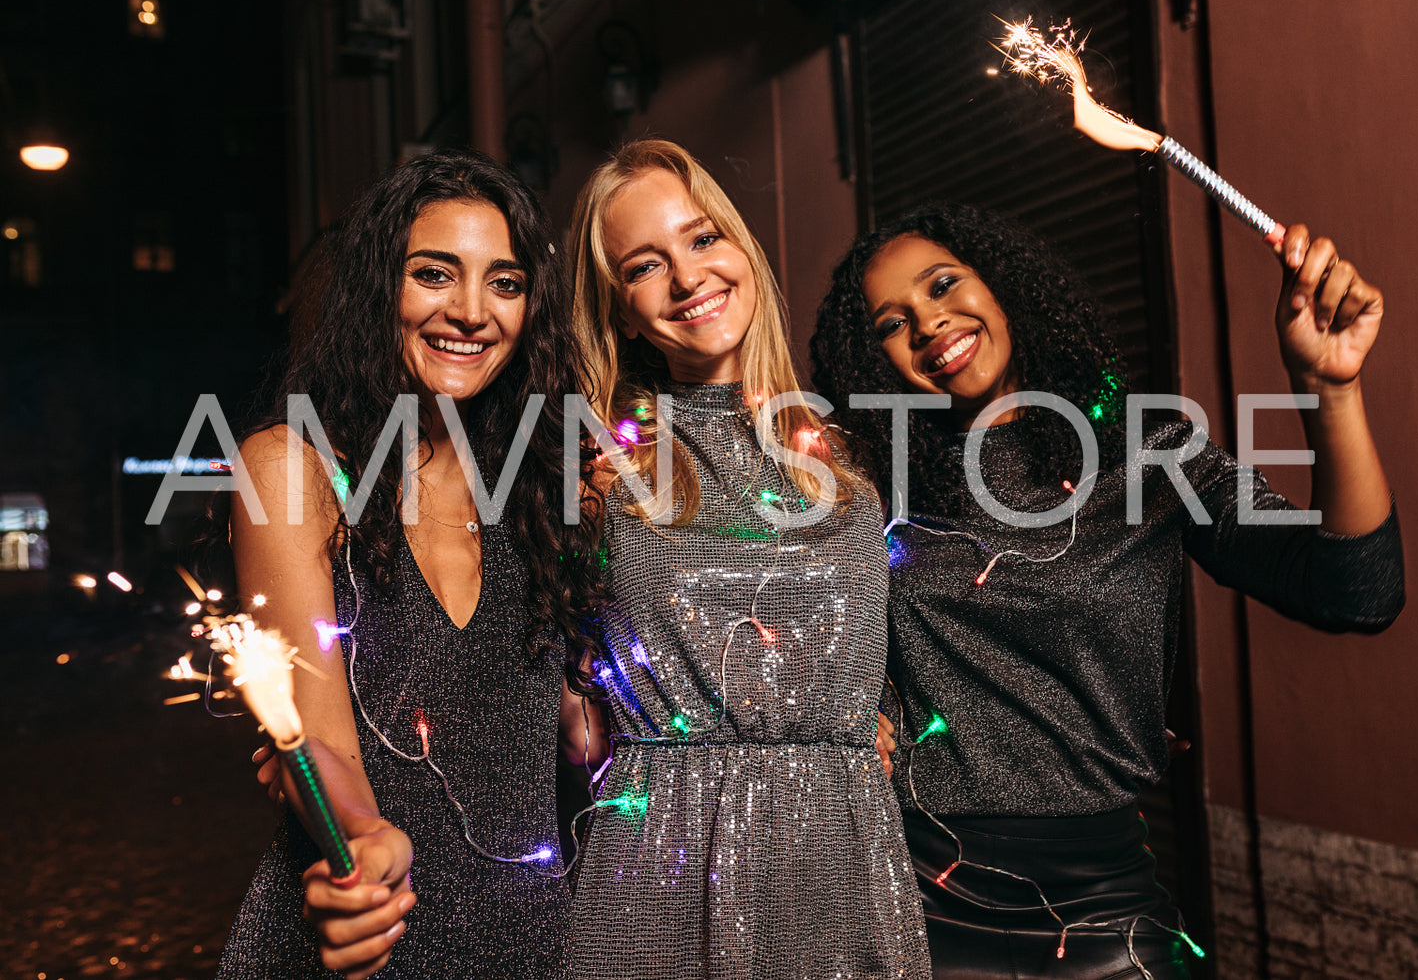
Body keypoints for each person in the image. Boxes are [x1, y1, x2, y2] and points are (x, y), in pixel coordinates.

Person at [810, 203, 1404, 979]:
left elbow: (1356, 591)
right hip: (914, 902)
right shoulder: (867, 493)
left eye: (943, 283)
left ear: (1000, 284)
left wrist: (1330, 388)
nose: (928, 322)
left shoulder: (1150, 458)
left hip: (1103, 910)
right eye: (893, 321)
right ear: (874, 360)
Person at [216, 149, 602, 980]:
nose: (471, 311)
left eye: (504, 282)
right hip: (361, 929)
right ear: (375, 290)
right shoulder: (294, 469)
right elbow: (311, 737)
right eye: (434, 274)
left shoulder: (546, 493)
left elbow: (580, 731)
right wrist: (362, 834)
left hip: (534, 939)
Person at [562, 138, 931, 979]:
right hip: (661, 866)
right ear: (620, 311)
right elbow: (548, 688)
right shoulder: (596, 471)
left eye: (701, 239)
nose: (689, 278)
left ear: (742, 251)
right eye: (645, 266)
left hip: (842, 853)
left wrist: (866, 717)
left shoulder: (848, 457)